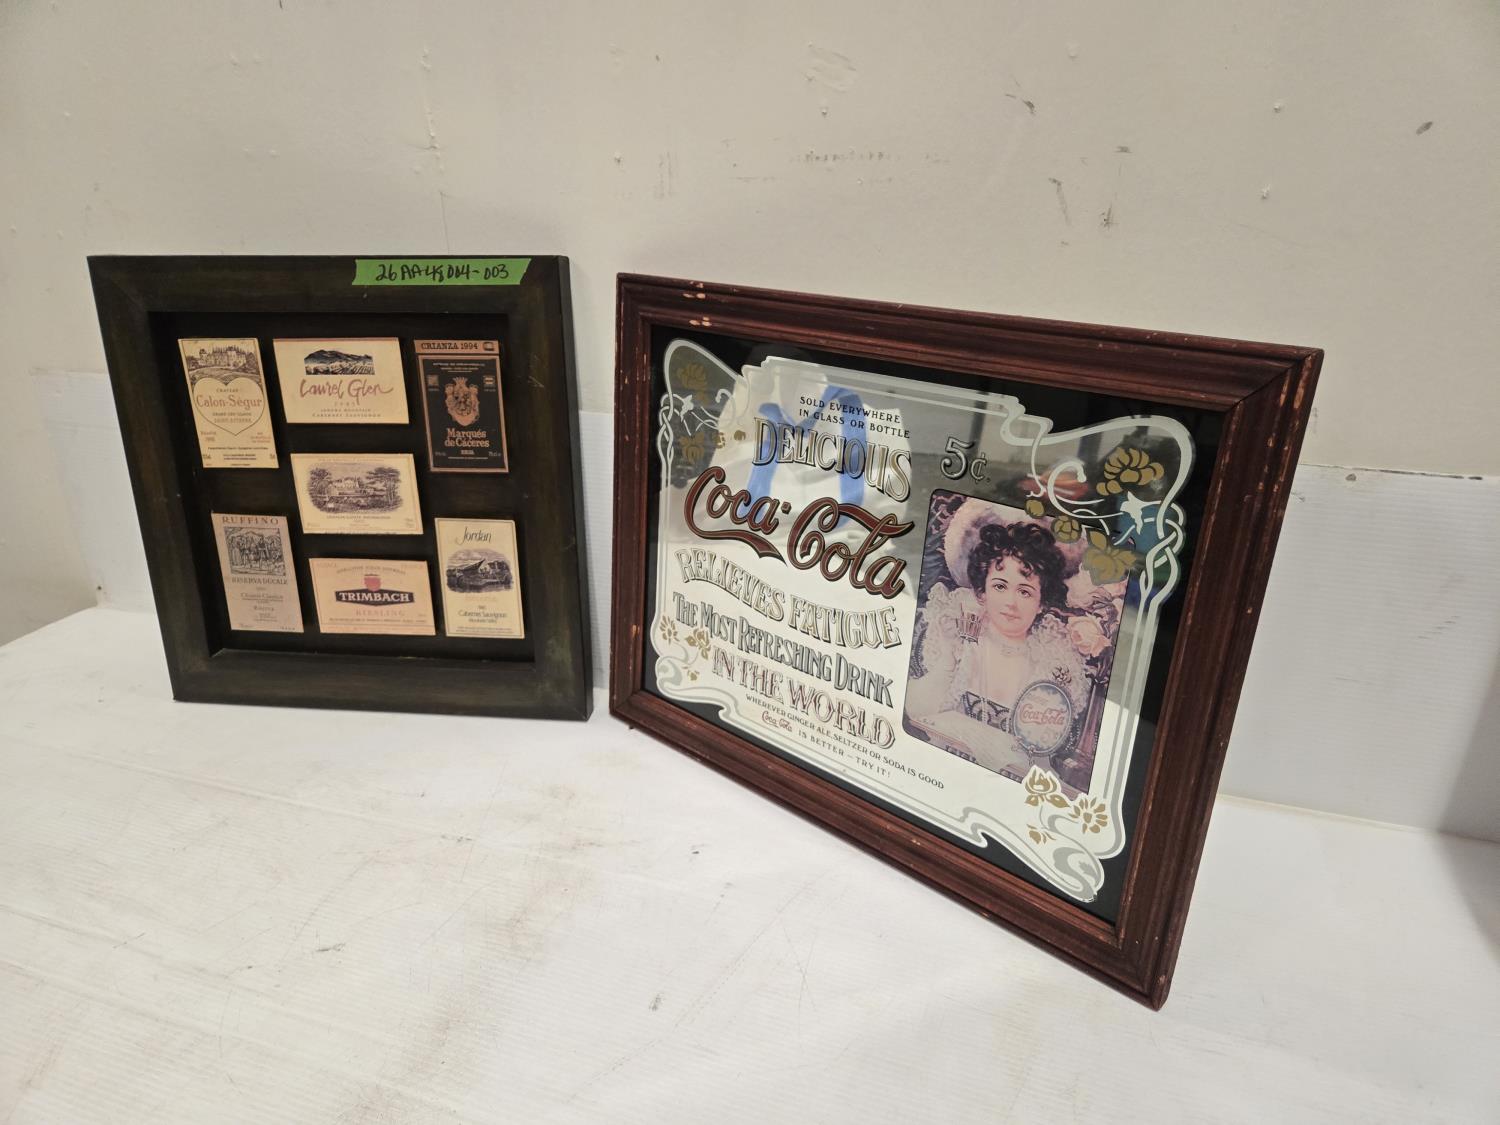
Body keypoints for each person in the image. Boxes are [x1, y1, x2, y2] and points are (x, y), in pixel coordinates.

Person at [905, 513, 1093, 780]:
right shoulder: (958, 641)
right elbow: (917, 712)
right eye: (1000, 586)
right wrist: (947, 660)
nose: (1011, 603)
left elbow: (1043, 753)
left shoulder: (1052, 665)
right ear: (982, 592)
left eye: (1025, 591)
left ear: (1041, 602)